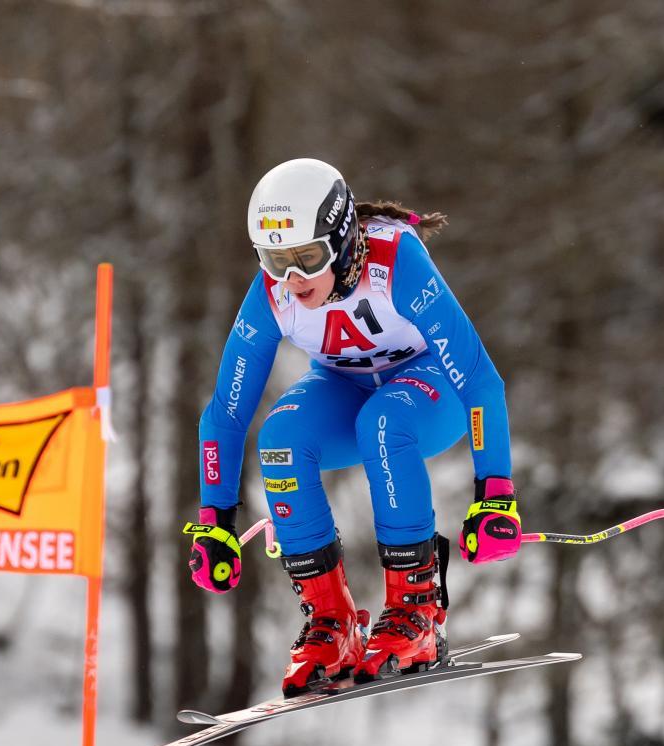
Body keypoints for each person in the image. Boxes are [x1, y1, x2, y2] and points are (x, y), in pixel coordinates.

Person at [183, 158, 521, 697]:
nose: (293, 280)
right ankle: (331, 624)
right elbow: (226, 412)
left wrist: (495, 494)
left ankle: (417, 610)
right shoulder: (272, 293)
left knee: (383, 423)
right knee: (280, 441)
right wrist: (213, 520)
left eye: (307, 258)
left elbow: (480, 379)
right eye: (275, 261)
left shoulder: (394, 259)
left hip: (431, 389)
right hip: (347, 387)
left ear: (340, 240)